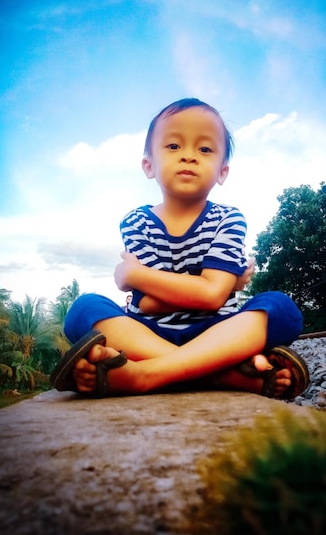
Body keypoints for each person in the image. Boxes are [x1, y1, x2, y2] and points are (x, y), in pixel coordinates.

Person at [51, 98, 309, 399]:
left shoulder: (228, 219)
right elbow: (147, 305)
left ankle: (145, 375)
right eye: (173, 146)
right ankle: (223, 375)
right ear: (149, 165)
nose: (189, 156)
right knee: (82, 309)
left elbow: (210, 298)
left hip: (216, 331)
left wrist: (135, 275)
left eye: (205, 149)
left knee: (282, 309)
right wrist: (221, 288)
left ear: (222, 171)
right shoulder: (136, 222)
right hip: (148, 333)